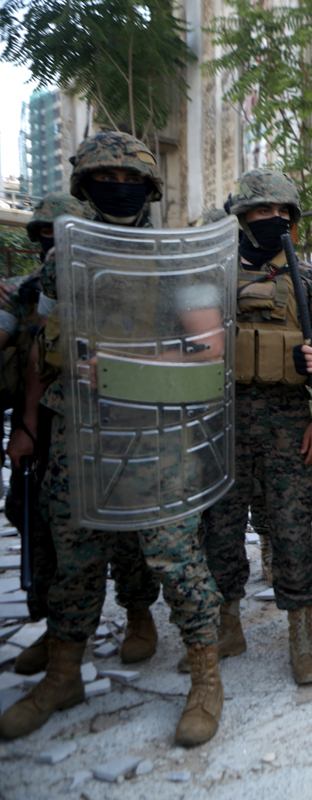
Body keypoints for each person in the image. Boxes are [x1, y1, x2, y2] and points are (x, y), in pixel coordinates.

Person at [0, 132, 224, 746]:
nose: (116, 186)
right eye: (104, 177)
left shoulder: (179, 258)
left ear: (149, 188)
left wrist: (128, 365)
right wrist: (27, 425)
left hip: (155, 432)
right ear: (84, 186)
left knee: (174, 556)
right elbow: (43, 354)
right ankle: (64, 673)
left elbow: (208, 353)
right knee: (71, 556)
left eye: (128, 178)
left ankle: (205, 675)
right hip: (75, 432)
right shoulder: (59, 260)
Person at [192, 168, 312, 687]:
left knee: (293, 526)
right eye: (261, 212)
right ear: (240, 217)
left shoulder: (306, 279)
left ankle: (301, 633)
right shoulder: (212, 271)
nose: (273, 220)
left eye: (282, 213)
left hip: (287, 419)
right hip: (223, 419)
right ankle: (228, 624)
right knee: (219, 528)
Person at [3, 193, 89, 676]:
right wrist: (26, 427)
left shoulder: (114, 279)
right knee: (37, 522)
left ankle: (138, 616)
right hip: (46, 425)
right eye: (45, 234)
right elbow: (31, 352)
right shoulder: (26, 290)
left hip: (96, 423)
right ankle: (57, 635)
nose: (53, 242)